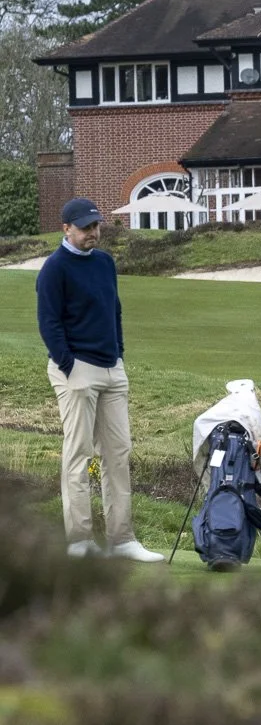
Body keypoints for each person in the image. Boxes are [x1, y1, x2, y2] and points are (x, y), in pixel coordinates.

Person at [37, 198, 164, 561]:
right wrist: (67, 364)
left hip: (112, 368)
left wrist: (119, 353)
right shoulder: (54, 268)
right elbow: (49, 322)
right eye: (85, 227)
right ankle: (79, 541)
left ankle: (121, 540)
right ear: (66, 228)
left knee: (118, 454)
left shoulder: (105, 262)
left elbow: (115, 310)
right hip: (76, 368)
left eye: (96, 226)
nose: (93, 232)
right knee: (79, 454)